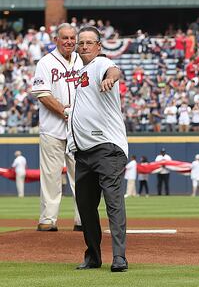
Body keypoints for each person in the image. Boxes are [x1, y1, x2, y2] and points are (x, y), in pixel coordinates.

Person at [67, 26, 128, 272]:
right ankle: (93, 256)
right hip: (83, 151)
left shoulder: (102, 63)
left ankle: (119, 257)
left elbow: (114, 70)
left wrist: (111, 78)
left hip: (106, 147)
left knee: (113, 203)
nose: (84, 47)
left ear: (99, 46)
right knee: (85, 206)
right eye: (81, 43)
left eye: (89, 42)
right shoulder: (81, 71)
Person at [31, 23, 82, 232]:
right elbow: (43, 94)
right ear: (56, 40)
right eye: (65, 38)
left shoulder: (82, 60)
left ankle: (83, 218)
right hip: (53, 128)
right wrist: (65, 111)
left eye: (72, 38)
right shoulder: (45, 62)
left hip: (79, 130)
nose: (69, 41)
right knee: (51, 176)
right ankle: (48, 219)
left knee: (81, 176)